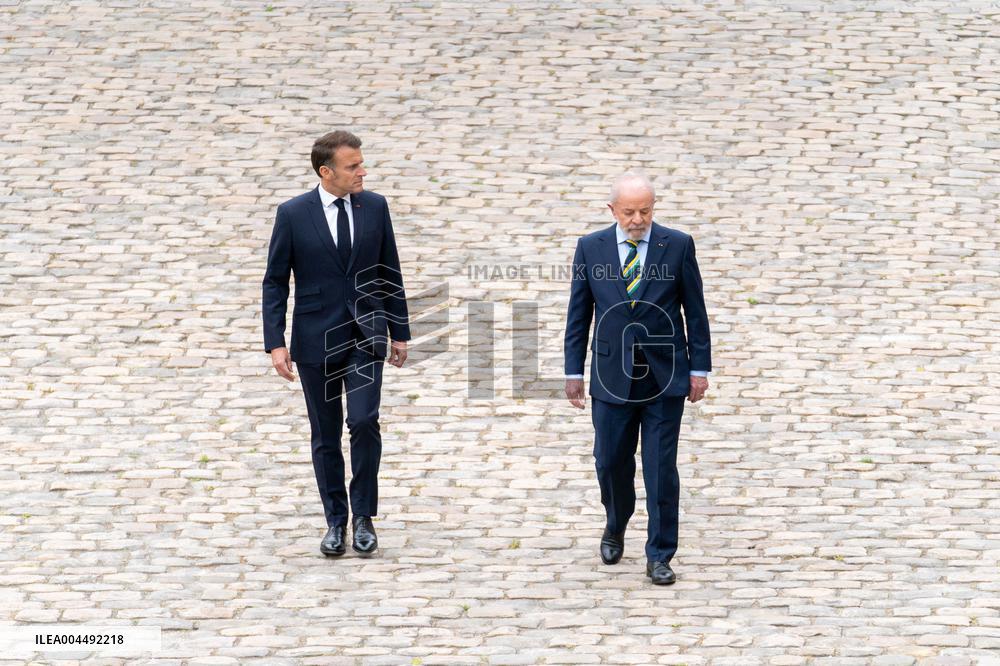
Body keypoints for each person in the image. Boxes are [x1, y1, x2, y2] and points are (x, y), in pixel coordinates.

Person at [262, 130, 411, 558]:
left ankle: (364, 516)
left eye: (362, 163)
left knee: (364, 422)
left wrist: (399, 330)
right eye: (353, 166)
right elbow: (275, 281)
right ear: (326, 172)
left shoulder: (375, 207)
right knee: (325, 434)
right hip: (314, 340)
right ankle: (336, 520)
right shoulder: (293, 214)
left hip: (366, 335)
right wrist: (275, 341)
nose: (362, 171)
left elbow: (390, 269)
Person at [563, 171, 711, 585]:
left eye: (644, 211)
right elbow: (579, 313)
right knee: (609, 461)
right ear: (613, 210)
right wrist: (573, 370)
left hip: (665, 376)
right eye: (629, 212)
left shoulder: (677, 245)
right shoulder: (590, 248)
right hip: (610, 375)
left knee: (661, 468)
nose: (637, 220)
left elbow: (694, 311)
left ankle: (660, 554)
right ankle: (616, 519)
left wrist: (699, 368)